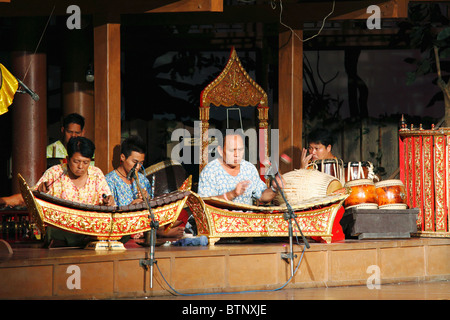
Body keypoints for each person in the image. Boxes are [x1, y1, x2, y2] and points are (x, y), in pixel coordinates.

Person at [36, 137, 114, 247]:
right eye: (76, 161)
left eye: (86, 162)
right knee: (52, 232)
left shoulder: (96, 174)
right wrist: (41, 192)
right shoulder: (54, 173)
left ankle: (84, 239)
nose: (81, 166)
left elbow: (107, 198)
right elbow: (35, 199)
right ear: (67, 159)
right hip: (63, 228)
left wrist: (108, 201)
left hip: (90, 227)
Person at [105, 135, 185, 240]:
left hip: (144, 222)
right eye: (134, 162)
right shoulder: (109, 181)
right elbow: (109, 215)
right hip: (124, 223)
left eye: (141, 163)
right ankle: (159, 232)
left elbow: (152, 210)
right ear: (122, 157)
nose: (137, 167)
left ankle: (155, 231)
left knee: (182, 212)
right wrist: (131, 206)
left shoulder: (142, 180)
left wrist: (147, 199)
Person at [198, 130, 282, 206]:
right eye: (231, 150)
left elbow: (263, 197)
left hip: (244, 220)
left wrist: (274, 188)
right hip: (218, 221)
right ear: (220, 150)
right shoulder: (211, 171)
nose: (236, 154)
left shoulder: (249, 169)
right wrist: (232, 194)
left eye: (240, 150)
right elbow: (204, 203)